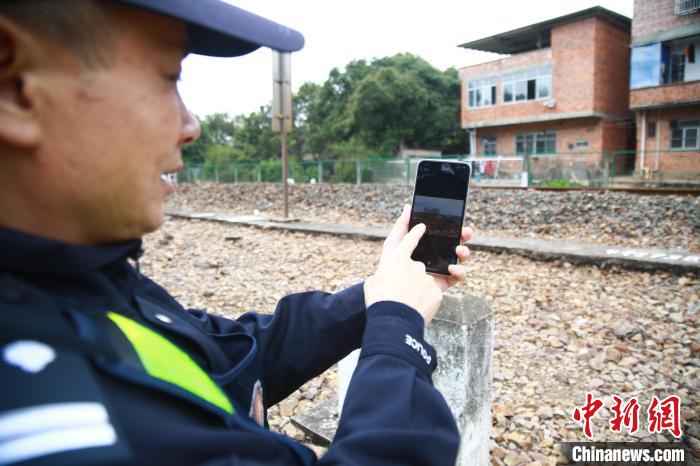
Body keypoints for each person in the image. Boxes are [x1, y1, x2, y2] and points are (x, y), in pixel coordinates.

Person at [0, 1, 474, 464]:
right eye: (169, 76)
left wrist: (376, 296)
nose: (191, 125)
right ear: (15, 85)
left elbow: (223, 357)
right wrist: (397, 332)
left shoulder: (69, 279)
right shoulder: (75, 430)